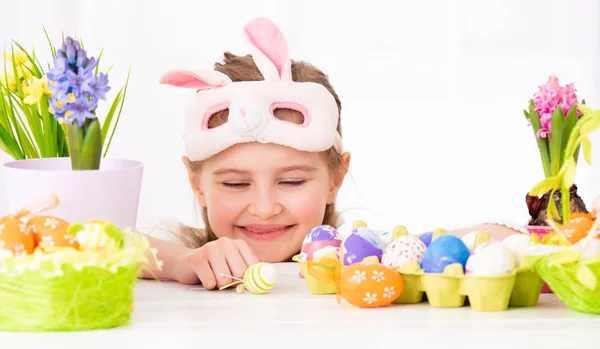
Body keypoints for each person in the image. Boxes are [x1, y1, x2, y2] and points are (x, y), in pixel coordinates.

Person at [141, 17, 522, 289]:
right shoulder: (177, 261)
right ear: (198, 184)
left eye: (291, 181)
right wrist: (181, 263)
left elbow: (508, 237)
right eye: (237, 183)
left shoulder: (359, 257)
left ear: (335, 179)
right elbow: (98, 240)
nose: (264, 206)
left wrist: (415, 248)